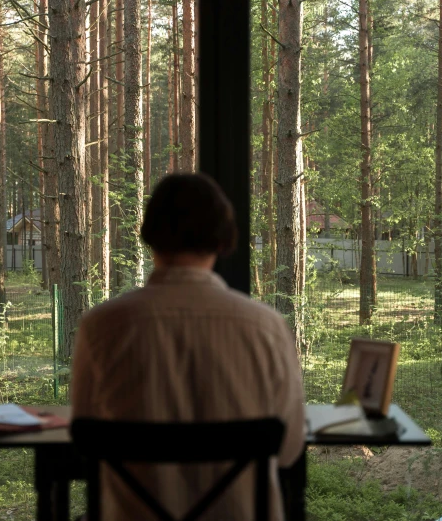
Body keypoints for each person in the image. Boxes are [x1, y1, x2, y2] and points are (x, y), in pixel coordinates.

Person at [71, 173, 306, 521]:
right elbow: (287, 450)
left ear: (148, 235)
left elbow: (85, 439)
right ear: (223, 239)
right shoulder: (266, 327)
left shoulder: (102, 327)